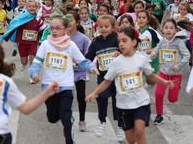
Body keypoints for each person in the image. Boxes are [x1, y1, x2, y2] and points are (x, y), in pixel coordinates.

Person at [86, 27, 174, 144]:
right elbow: (107, 81)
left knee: (139, 129)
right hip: (124, 106)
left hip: (141, 102)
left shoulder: (141, 59)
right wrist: (94, 93)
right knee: (131, 139)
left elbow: (151, 75)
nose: (121, 44)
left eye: (124, 40)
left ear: (134, 42)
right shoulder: (116, 63)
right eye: (119, 41)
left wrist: (164, 82)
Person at [29, 13, 98, 144]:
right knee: (52, 118)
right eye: (52, 28)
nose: (54, 31)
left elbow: (82, 61)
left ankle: (69, 139)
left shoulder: (71, 45)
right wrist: (34, 74)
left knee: (66, 116)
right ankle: (62, 117)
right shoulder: (45, 45)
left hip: (66, 86)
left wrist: (91, 67)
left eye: (58, 28)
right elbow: (36, 62)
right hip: (49, 88)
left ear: (66, 29)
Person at [86, 15, 124, 141]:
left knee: (117, 101)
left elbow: (127, 51)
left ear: (112, 27)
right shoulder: (96, 42)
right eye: (101, 26)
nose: (103, 29)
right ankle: (102, 121)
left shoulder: (118, 39)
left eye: (106, 26)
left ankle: (120, 126)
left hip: (118, 77)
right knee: (101, 97)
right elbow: (88, 57)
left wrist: (121, 53)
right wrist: (86, 66)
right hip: (103, 77)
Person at [152, 19, 190, 124]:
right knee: (158, 94)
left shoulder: (179, 42)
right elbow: (156, 49)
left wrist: (179, 65)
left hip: (175, 75)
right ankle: (159, 115)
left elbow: (187, 55)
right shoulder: (162, 41)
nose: (168, 30)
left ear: (175, 30)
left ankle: (177, 87)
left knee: (172, 99)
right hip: (163, 73)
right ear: (162, 30)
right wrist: (153, 54)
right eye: (166, 28)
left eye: (171, 28)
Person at [0, 0, 45, 83]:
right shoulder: (22, 17)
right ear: (26, 7)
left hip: (33, 43)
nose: (32, 8)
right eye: (30, 6)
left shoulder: (38, 19)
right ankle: (23, 66)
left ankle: (31, 76)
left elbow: (43, 30)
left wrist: (44, 39)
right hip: (22, 43)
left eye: (34, 7)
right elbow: (14, 24)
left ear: (37, 8)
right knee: (24, 61)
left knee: (32, 59)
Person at [68, 11, 91, 132]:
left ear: (77, 22)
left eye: (71, 19)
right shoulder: (61, 37)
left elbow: (88, 54)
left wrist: (85, 63)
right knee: (67, 96)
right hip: (66, 73)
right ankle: (69, 117)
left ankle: (82, 120)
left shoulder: (84, 39)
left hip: (80, 72)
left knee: (81, 96)